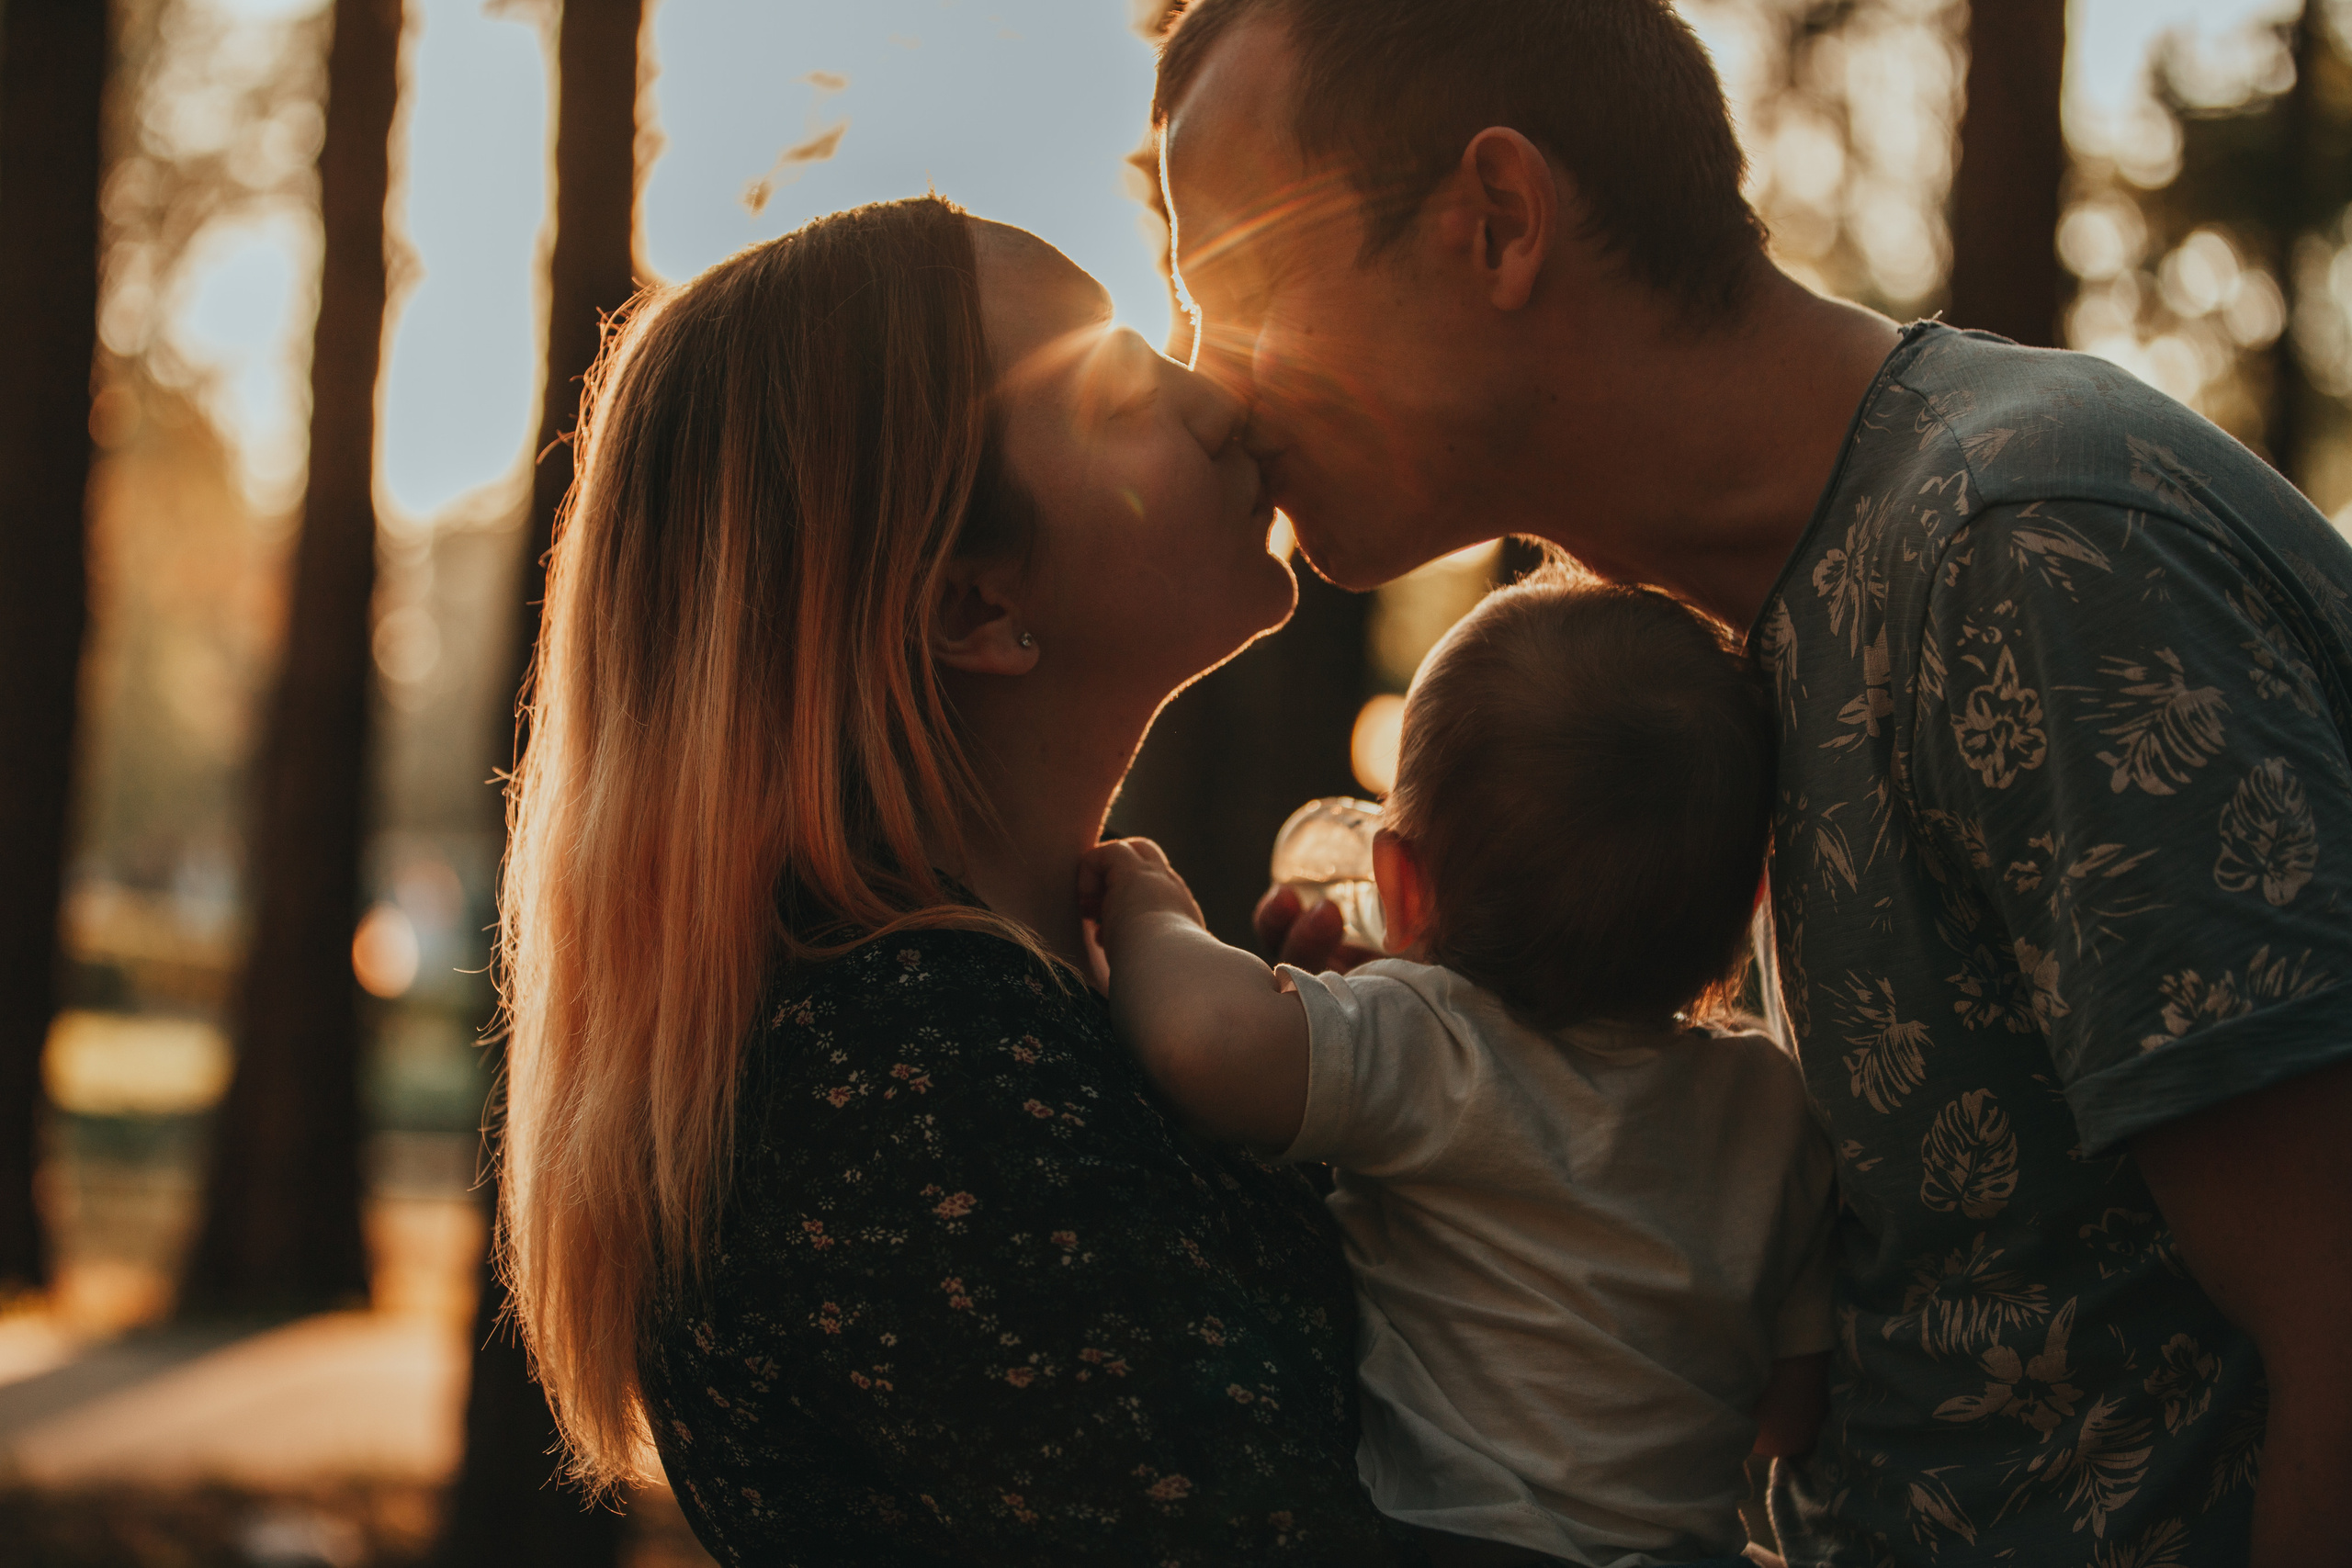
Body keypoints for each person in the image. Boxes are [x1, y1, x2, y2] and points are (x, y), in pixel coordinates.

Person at [1148, 2, 2352, 1564]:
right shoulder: (1766, 637)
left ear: (1498, 224)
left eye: (1234, 293)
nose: (1210, 391)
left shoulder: (2028, 553)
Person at [494, 195, 1429, 1564]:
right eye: (1116, 391)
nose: (1216, 400)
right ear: (975, 608)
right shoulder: (903, 1073)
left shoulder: (1023, 1013)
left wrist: (1356, 1109)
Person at [1083, 571, 1837, 1568]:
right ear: (1749, 897)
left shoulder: (1432, 1038)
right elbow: (1788, 1410)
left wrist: (1148, 908)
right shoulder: (1773, 1103)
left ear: (1398, 879)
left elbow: (1204, 1043)